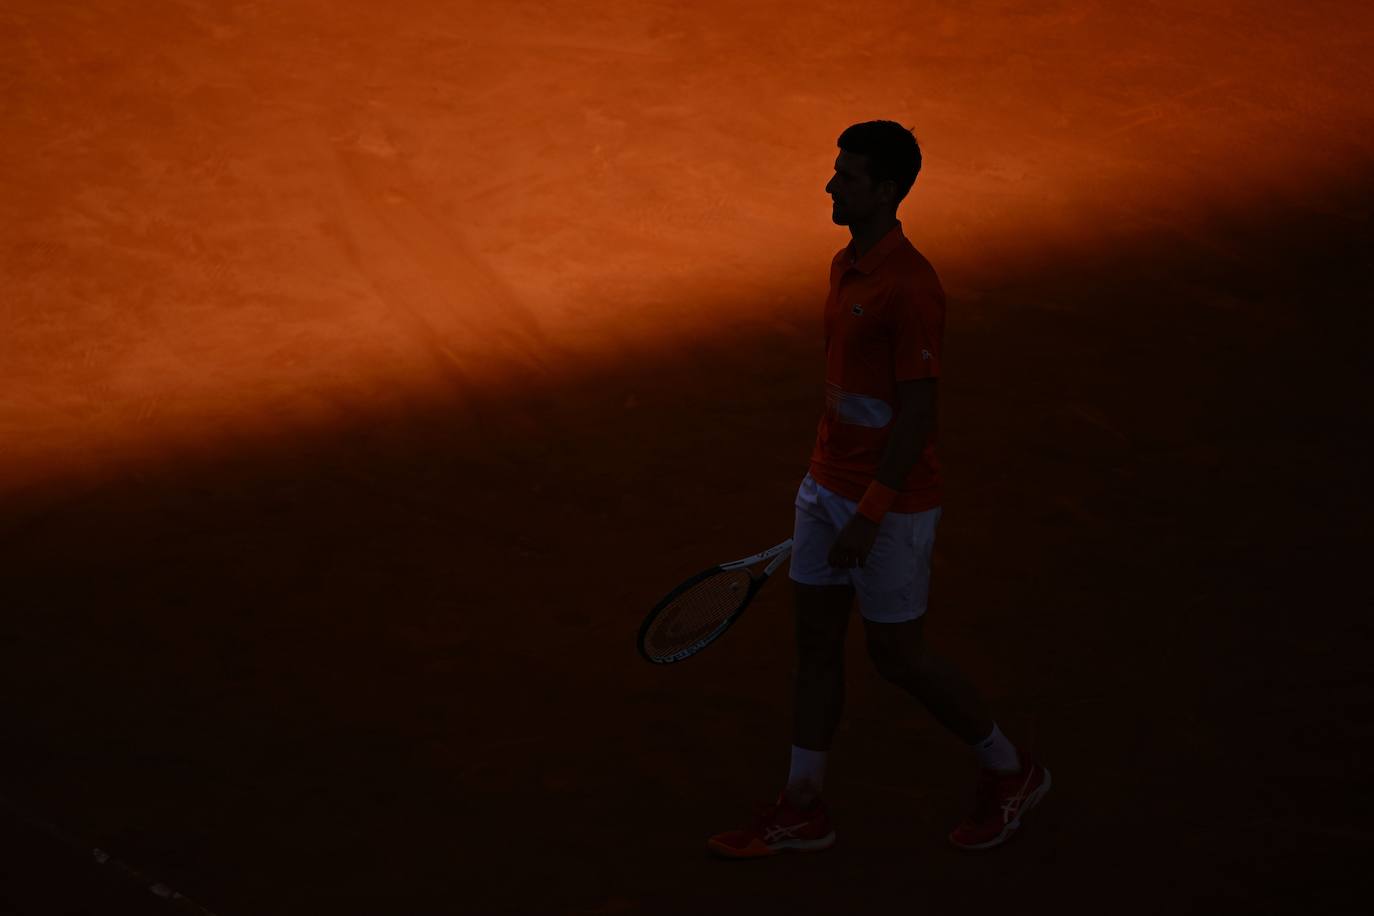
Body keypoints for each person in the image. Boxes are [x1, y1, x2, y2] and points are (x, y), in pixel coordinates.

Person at [707, 121, 1050, 857]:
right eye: (837, 172)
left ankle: (1011, 768)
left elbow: (919, 413)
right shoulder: (846, 264)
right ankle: (803, 806)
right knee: (816, 643)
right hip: (826, 487)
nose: (832, 185)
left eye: (848, 176)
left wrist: (869, 509)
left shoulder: (910, 289)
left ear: (887, 190)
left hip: (891, 503)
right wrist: (827, 490)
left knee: (898, 657)